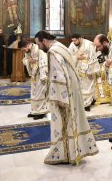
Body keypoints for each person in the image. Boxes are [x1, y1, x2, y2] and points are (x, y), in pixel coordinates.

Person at [34, 31, 98, 164]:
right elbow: (71, 61)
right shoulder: (60, 46)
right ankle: (74, 151)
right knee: (72, 120)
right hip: (72, 88)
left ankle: (64, 154)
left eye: (39, 44)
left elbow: (59, 76)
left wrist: (60, 98)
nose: (39, 47)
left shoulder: (53, 52)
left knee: (63, 123)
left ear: (45, 41)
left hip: (64, 92)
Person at [68, 34, 100, 111]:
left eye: (75, 40)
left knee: (87, 86)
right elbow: (68, 55)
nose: (73, 42)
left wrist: (90, 71)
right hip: (78, 69)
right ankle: (82, 103)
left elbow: (93, 58)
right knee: (80, 86)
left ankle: (88, 103)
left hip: (88, 69)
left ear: (80, 38)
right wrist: (76, 57)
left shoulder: (89, 44)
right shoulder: (72, 44)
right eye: (72, 40)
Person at [19, 40, 49, 120]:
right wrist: (30, 60)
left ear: (28, 45)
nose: (24, 51)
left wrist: (30, 60)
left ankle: (41, 112)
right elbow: (25, 60)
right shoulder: (28, 51)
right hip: (34, 74)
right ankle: (34, 111)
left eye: (24, 49)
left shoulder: (38, 49)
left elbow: (42, 60)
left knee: (40, 93)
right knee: (34, 93)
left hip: (41, 74)